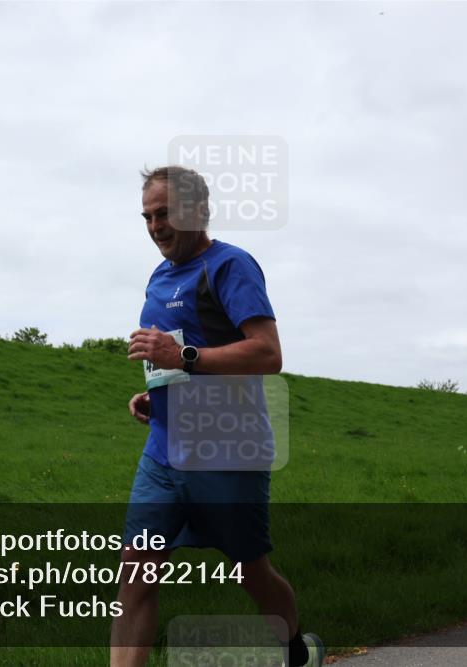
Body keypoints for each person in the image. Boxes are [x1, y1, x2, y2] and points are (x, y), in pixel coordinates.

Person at [109, 166, 323, 667]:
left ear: (199, 212)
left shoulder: (230, 266)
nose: (155, 226)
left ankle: (296, 652)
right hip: (164, 454)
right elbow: (172, 355)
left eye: (166, 214)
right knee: (135, 574)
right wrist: (154, 395)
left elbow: (268, 353)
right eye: (147, 216)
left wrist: (182, 359)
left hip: (228, 453)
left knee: (250, 573)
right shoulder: (159, 277)